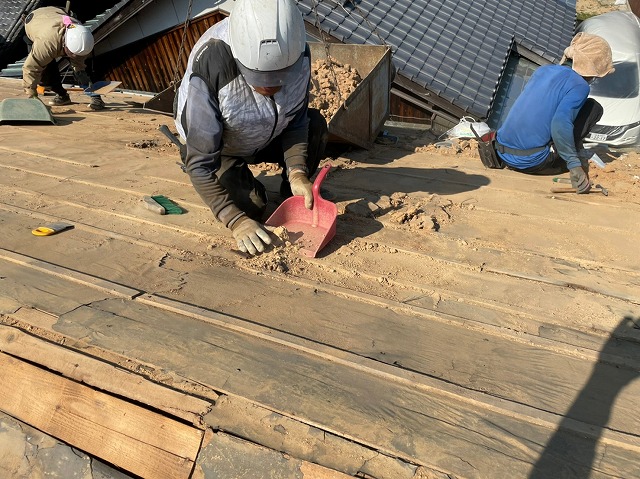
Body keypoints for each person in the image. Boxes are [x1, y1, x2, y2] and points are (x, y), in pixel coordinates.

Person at [173, 0, 328, 255]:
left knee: (316, 125)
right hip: (221, 146)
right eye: (261, 80)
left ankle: (293, 194)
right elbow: (200, 165)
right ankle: (240, 191)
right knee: (252, 207)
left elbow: (297, 121)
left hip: (266, 133)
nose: (272, 88)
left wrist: (297, 172)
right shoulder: (213, 63)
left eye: (279, 79)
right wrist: (236, 221)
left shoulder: (297, 52)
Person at [495, 32, 615, 193]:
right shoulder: (580, 85)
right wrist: (574, 165)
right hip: (531, 161)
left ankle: (569, 149)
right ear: (594, 67)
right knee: (593, 108)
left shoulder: (543, 70)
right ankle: (570, 153)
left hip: (502, 153)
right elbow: (560, 123)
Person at [22, 6, 105, 110]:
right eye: (72, 54)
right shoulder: (47, 44)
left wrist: (94, 95)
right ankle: (62, 95)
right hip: (35, 21)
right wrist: (32, 96)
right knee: (45, 74)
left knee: (82, 70)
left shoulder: (82, 37)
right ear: (65, 46)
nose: (75, 58)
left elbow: (79, 68)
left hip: (55, 13)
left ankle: (96, 98)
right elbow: (31, 68)